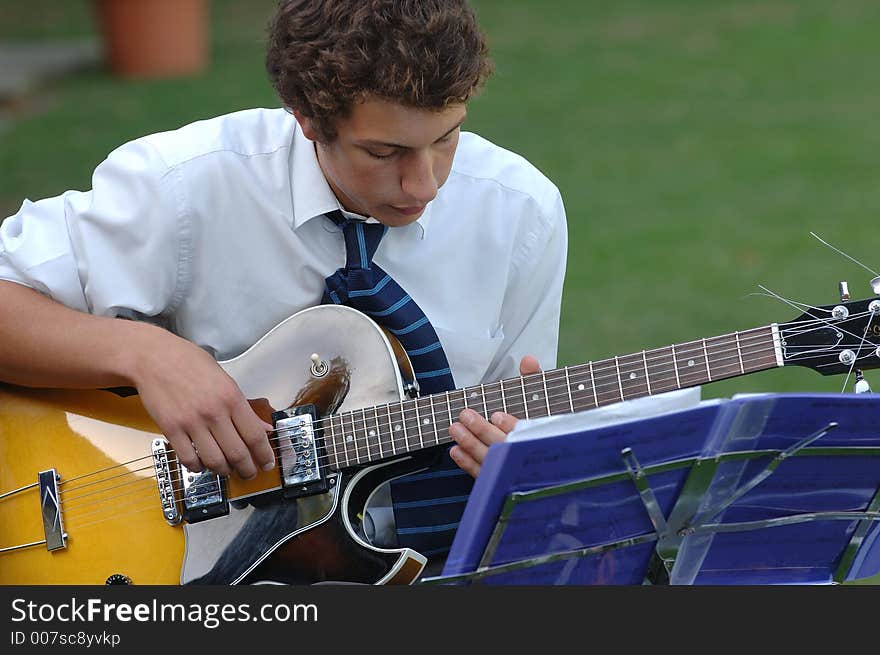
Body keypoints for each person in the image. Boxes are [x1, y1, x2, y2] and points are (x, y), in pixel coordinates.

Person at [0, 0, 566, 566]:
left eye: (447, 137)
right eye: (383, 152)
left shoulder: (522, 212)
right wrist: (145, 354)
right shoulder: (185, 186)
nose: (424, 184)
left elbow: (517, 424)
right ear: (306, 119)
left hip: (444, 569)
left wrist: (517, 453)